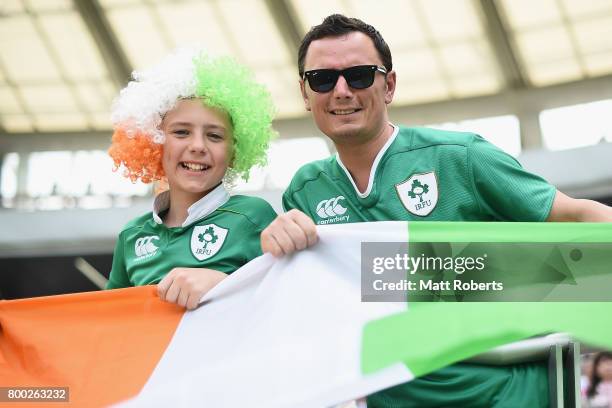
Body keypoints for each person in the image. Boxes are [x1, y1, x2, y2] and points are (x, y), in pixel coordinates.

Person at [260, 14, 612, 407]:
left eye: (359, 75)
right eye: (323, 79)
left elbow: (578, 216)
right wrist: (273, 246)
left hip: (510, 394)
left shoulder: (460, 156)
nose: (342, 91)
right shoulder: (305, 192)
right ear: (305, 94)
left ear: (389, 85)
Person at [106, 49, 277, 310]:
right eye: (182, 132)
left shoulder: (253, 217)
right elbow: (109, 319)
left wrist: (225, 284)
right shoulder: (131, 236)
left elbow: (287, 301)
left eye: (215, 136)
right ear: (155, 142)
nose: (198, 146)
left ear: (234, 152)